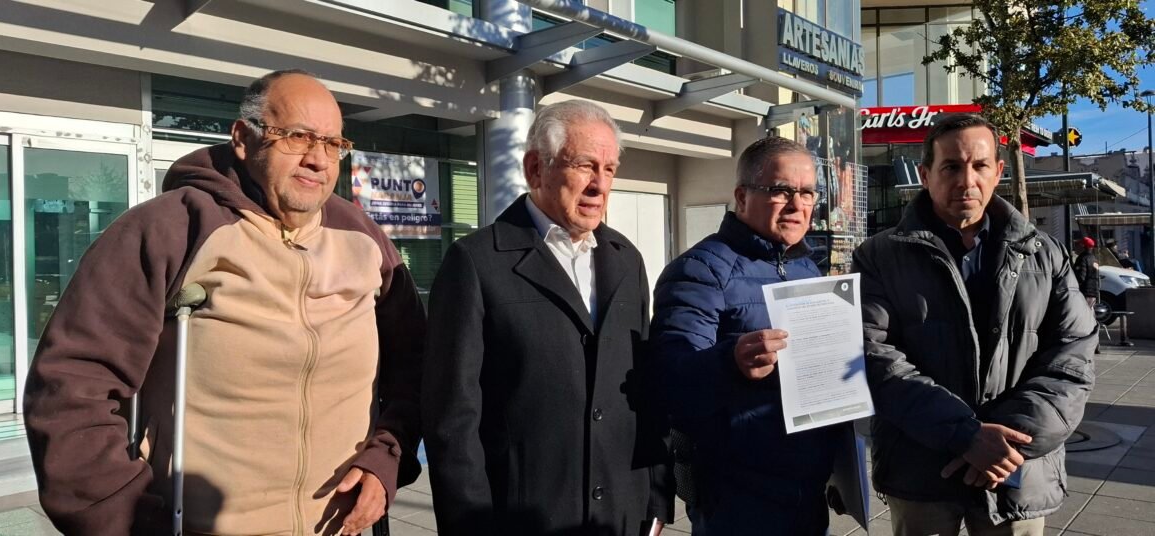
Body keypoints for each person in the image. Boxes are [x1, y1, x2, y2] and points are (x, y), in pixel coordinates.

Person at [24, 70, 426, 536]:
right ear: (243, 137)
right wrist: (125, 519)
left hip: (343, 526)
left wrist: (387, 459)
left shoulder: (364, 239)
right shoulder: (171, 229)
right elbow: (72, 387)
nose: (318, 159)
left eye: (333, 144)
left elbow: (417, 366)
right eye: (297, 137)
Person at [422, 100, 673, 536]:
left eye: (610, 169)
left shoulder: (626, 260)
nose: (600, 185)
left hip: (620, 515)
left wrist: (655, 500)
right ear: (536, 169)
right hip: (522, 518)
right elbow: (452, 419)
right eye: (584, 165)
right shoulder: (476, 263)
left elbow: (646, 390)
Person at [853, 113, 1095, 536]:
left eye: (980, 165)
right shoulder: (878, 255)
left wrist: (1005, 443)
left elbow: (1073, 356)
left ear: (999, 172)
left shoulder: (1046, 253)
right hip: (921, 469)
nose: (967, 180)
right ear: (925, 174)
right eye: (951, 167)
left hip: (1016, 470)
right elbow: (873, 356)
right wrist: (965, 436)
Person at [650, 136, 845, 535]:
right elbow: (669, 378)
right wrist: (730, 360)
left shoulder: (808, 268)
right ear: (741, 197)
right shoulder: (700, 271)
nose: (797, 204)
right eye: (781, 191)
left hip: (807, 489)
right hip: (738, 497)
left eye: (808, 192)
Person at [1073, 236, 1100, 308]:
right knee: (1090, 314)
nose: (1075, 247)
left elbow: (1081, 277)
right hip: (1093, 292)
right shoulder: (1094, 258)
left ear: (1083, 246)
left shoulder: (1083, 259)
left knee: (1083, 314)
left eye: (1077, 245)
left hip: (1084, 292)